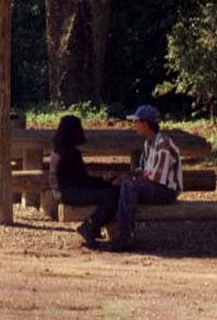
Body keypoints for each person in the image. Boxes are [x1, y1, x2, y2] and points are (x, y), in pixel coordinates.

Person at [77, 105, 182, 250]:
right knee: (120, 185)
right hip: (154, 186)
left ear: (146, 123)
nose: (134, 125)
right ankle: (94, 226)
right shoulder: (148, 143)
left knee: (129, 185)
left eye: (136, 121)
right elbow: (142, 171)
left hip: (166, 191)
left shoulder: (162, 144)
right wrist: (120, 177)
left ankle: (124, 238)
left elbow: (157, 178)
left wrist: (128, 180)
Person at [49, 114, 119, 220]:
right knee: (111, 196)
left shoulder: (56, 151)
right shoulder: (72, 153)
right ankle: (91, 226)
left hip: (59, 192)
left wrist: (103, 181)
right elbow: (84, 180)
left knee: (107, 192)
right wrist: (105, 182)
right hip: (69, 193)